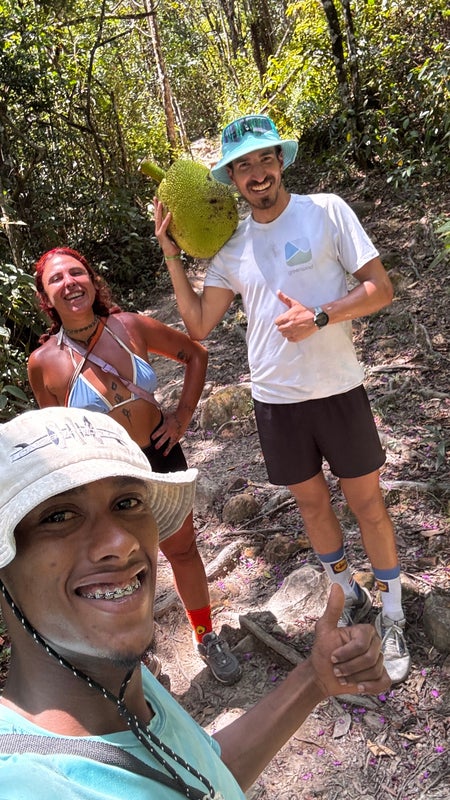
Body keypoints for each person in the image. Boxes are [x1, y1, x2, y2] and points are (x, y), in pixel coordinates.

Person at [0, 407, 389, 798]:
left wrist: (313, 679)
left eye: (127, 503)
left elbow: (206, 777)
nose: (121, 542)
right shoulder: (29, 786)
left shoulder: (117, 680)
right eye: (59, 516)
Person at [154, 114, 411, 684]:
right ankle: (346, 590)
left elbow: (380, 288)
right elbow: (198, 324)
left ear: (281, 161)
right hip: (275, 401)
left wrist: (320, 315)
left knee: (368, 505)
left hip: (338, 389)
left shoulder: (326, 212)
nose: (257, 173)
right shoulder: (232, 248)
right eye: (243, 165)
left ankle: (392, 611)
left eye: (265, 159)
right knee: (313, 507)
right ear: (231, 179)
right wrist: (171, 253)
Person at [26, 247, 241, 685]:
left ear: (92, 281)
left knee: (182, 550)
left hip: (159, 456)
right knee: (122, 571)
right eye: (56, 279)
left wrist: (181, 417)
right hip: (106, 481)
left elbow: (195, 355)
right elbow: (57, 433)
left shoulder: (129, 326)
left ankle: (206, 636)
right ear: (45, 298)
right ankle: (137, 658)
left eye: (76, 272)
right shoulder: (43, 363)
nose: (69, 283)